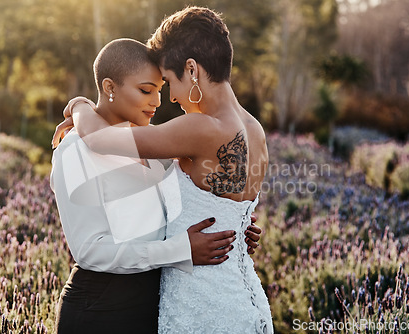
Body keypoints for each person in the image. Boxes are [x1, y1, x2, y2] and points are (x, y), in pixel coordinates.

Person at [57, 6, 274, 333]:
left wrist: (79, 105)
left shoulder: (198, 129)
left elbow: (101, 140)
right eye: (150, 89)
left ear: (192, 69)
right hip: (242, 300)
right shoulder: (254, 129)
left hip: (200, 302)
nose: (168, 99)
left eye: (168, 83)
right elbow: (221, 202)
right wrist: (238, 229)